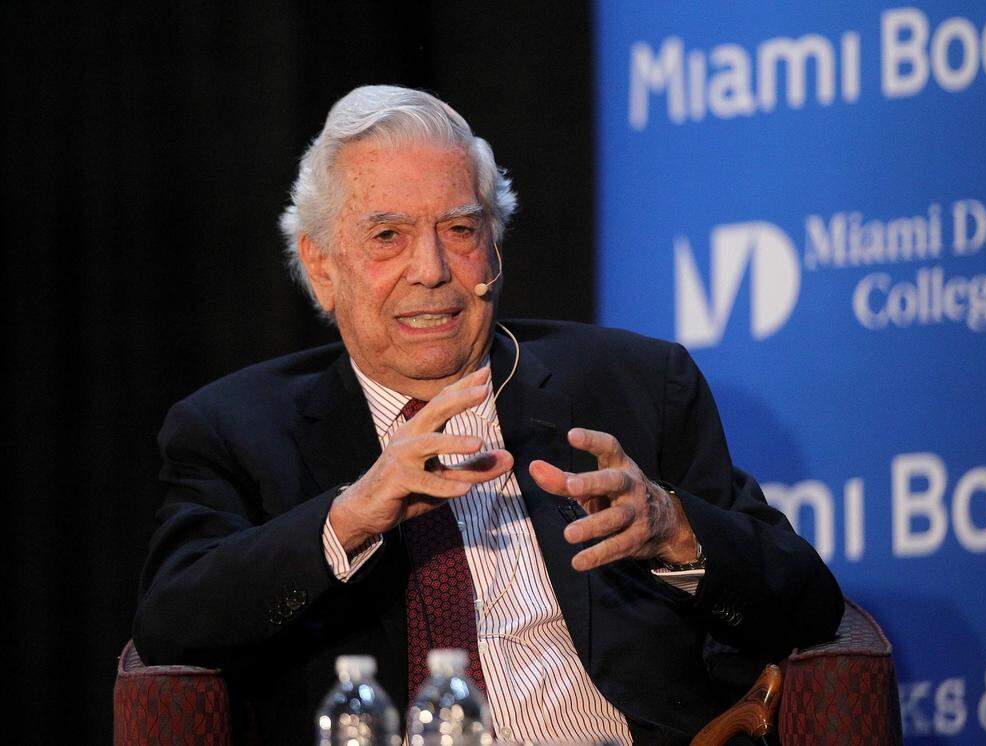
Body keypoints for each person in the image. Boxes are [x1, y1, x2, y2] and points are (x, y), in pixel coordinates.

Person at [133, 85, 843, 745]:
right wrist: (349, 518)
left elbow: (808, 605)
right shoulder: (236, 429)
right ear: (321, 266)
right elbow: (172, 625)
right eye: (388, 237)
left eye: (461, 229)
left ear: (494, 250)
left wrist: (673, 530)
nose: (433, 268)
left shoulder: (636, 385)